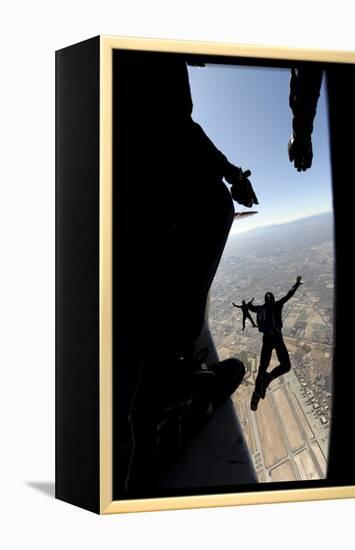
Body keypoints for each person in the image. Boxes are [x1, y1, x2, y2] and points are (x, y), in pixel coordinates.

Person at [113, 50, 259, 496]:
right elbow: (174, 128)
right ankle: (163, 385)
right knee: (211, 206)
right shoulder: (151, 54)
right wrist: (231, 176)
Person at [248, 277, 303, 411]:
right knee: (286, 365)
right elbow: (289, 295)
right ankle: (268, 379)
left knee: (262, 367)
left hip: (266, 339)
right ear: (273, 299)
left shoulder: (261, 308)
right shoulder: (277, 305)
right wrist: (296, 284)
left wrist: (247, 305)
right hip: (277, 338)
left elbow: (251, 308)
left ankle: (255, 397)